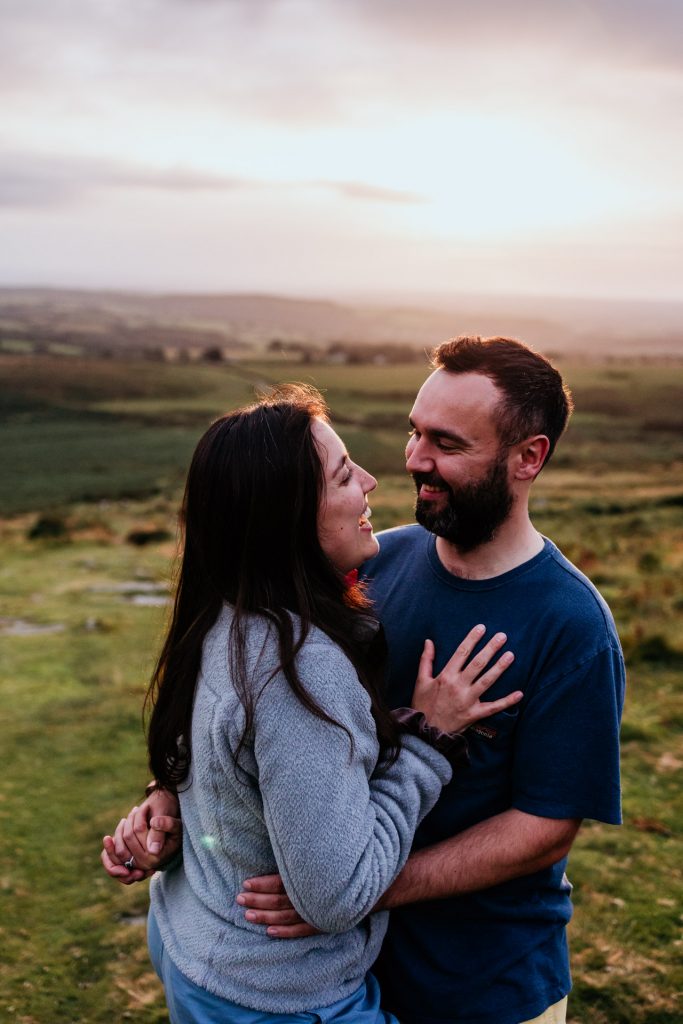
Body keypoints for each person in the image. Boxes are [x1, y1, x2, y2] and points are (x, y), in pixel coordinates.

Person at [107, 337, 625, 1024]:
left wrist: (349, 890)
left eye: (445, 442)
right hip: (346, 967)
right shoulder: (378, 561)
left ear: (527, 457)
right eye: (414, 432)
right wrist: (172, 796)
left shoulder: (571, 624)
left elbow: (544, 828)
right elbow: (254, 700)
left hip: (479, 982)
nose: (412, 460)